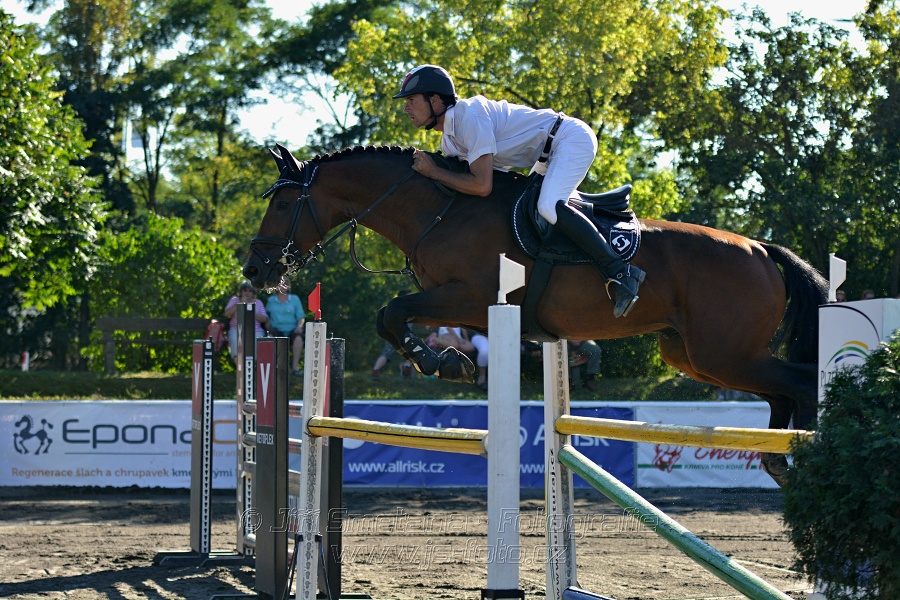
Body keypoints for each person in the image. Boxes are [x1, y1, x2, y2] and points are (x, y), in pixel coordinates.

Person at [393, 64, 645, 318]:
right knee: (523, 210)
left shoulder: (469, 116)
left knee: (547, 206)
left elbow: (482, 185)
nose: (406, 108)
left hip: (570, 138)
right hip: (546, 155)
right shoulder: (449, 141)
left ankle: (621, 272)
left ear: (435, 100)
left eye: (412, 100)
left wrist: (433, 172)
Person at [265, 279, 306, 376]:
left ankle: (295, 367)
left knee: (298, 338)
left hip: (292, 329)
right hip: (276, 329)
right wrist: (267, 326)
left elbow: (301, 317)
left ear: (288, 286)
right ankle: (274, 368)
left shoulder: (295, 299)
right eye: (280, 284)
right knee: (269, 338)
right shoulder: (271, 300)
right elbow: (266, 316)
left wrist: (299, 326)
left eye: (285, 284)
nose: (283, 286)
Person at [223, 281, 269, 365]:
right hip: (236, 329)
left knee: (258, 340)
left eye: (250, 291)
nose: (247, 293)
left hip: (255, 330)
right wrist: (240, 304)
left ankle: (251, 366)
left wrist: (250, 309)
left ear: (253, 293)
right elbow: (227, 313)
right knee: (234, 339)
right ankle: (240, 367)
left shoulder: (258, 302)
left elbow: (264, 318)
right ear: (241, 292)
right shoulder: (235, 300)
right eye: (245, 290)